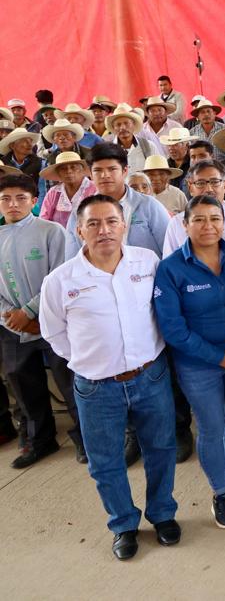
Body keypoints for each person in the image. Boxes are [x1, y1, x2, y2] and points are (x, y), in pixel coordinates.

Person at [40, 195, 181, 561]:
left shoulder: (147, 262)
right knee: (105, 463)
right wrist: (91, 361)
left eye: (111, 222)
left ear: (124, 224)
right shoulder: (60, 280)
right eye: (94, 224)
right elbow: (54, 333)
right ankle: (123, 524)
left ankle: (163, 513)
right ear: (79, 229)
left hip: (151, 377)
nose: (104, 231)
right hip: (96, 386)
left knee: (162, 450)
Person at [152, 196, 225, 529]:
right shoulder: (171, 268)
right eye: (199, 220)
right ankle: (219, 492)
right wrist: (218, 356)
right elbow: (173, 328)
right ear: (184, 225)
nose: (208, 226)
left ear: (224, 223)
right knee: (212, 425)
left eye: (215, 219)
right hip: (198, 364)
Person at [0, 174, 82, 468]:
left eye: (21, 198)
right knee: (24, 385)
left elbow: (60, 276)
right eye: (5, 198)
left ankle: (85, 440)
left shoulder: (51, 231)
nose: (13, 204)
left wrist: (32, 313)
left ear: (34, 202)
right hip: (12, 327)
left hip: (53, 321)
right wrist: (12, 316)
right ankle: (40, 440)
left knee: (70, 383)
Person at [161, 160, 225, 254]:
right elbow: (169, 266)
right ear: (190, 188)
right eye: (200, 183)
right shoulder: (176, 223)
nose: (208, 189)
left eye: (215, 182)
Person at [38, 150, 96, 227]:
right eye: (63, 169)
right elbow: (43, 220)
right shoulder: (54, 192)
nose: (69, 171)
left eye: (73, 167)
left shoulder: (95, 189)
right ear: (58, 174)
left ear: (82, 170)